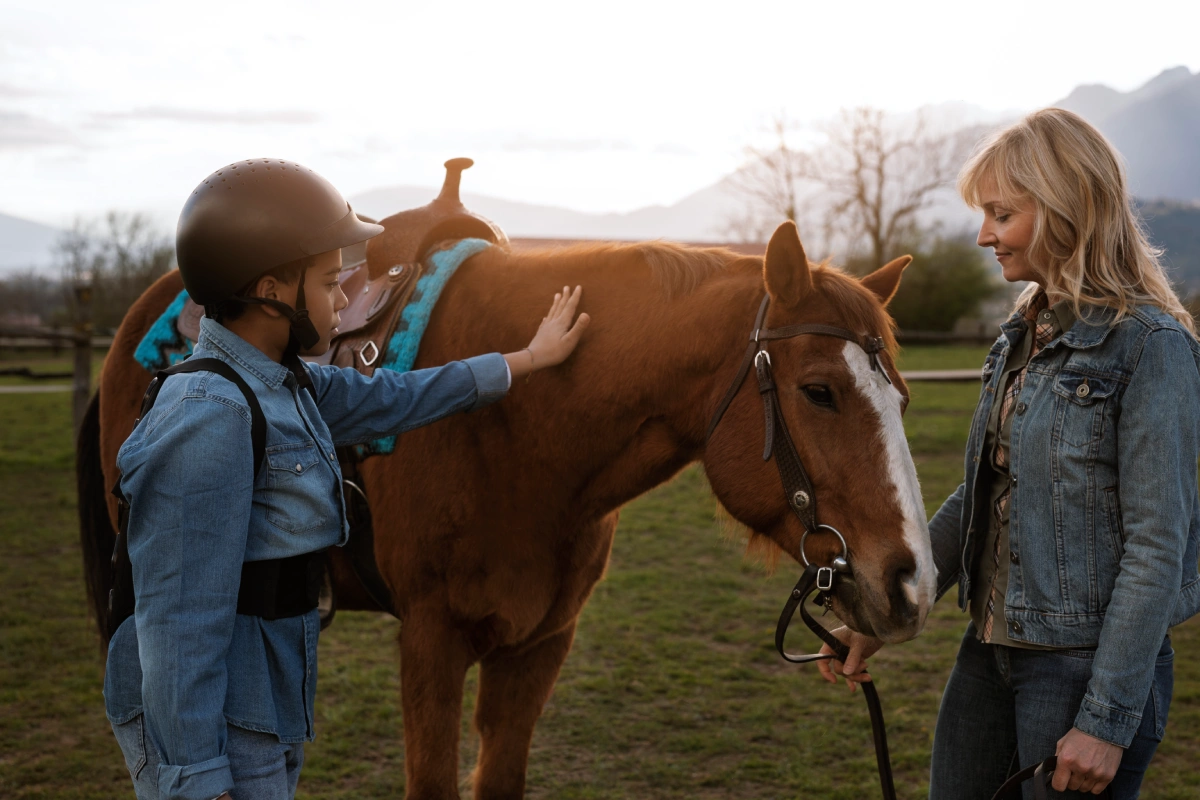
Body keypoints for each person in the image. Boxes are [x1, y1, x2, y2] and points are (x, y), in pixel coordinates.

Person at [103, 159, 591, 800]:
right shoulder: (209, 419)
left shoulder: (284, 382)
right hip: (224, 722)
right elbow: (176, 627)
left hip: (268, 696)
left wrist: (527, 359)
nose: (342, 299)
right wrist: (197, 781)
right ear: (273, 292)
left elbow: (400, 394)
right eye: (332, 281)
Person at [817, 109, 1200, 798]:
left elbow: (1157, 547)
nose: (983, 234)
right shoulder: (1020, 335)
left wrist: (1107, 721)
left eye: (1000, 213)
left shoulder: (1152, 346)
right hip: (989, 654)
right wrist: (881, 615)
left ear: (1063, 210)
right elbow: (982, 493)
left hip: (1081, 669)